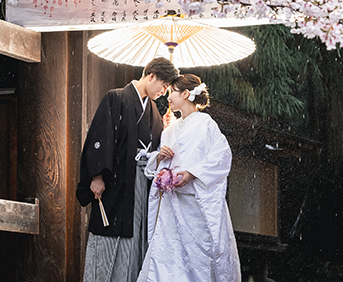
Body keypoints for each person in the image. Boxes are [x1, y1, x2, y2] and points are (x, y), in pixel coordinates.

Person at [77, 57, 179, 282]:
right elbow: (99, 137)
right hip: (114, 183)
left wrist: (166, 128)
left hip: (139, 184)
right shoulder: (116, 97)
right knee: (107, 238)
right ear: (151, 75)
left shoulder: (153, 111)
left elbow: (155, 149)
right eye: (163, 85)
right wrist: (96, 176)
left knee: (133, 243)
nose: (163, 92)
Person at [137, 74, 241, 282]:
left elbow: (221, 156)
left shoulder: (206, 124)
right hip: (172, 205)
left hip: (194, 204)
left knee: (197, 258)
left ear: (186, 94)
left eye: (173, 91)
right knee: (167, 256)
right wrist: (160, 157)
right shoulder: (170, 129)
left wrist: (192, 173)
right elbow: (156, 167)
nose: (168, 96)